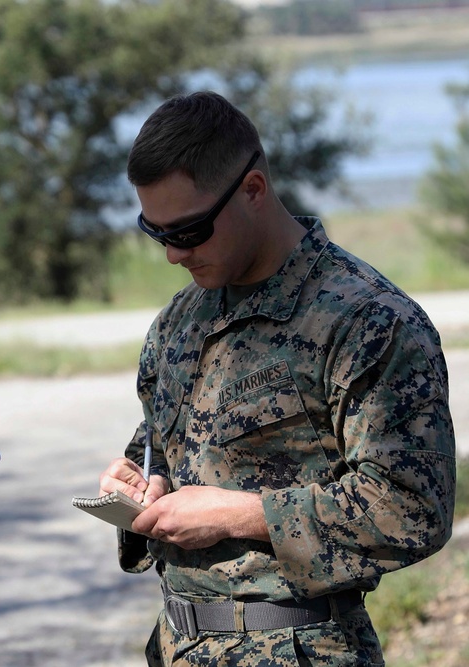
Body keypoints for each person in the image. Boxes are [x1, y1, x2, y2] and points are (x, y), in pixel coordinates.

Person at [96, 91, 456, 665]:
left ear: (254, 190)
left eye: (188, 231)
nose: (171, 254)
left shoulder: (367, 321)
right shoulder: (178, 322)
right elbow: (157, 455)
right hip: (177, 646)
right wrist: (138, 487)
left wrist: (240, 514)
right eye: (154, 231)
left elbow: (413, 509)